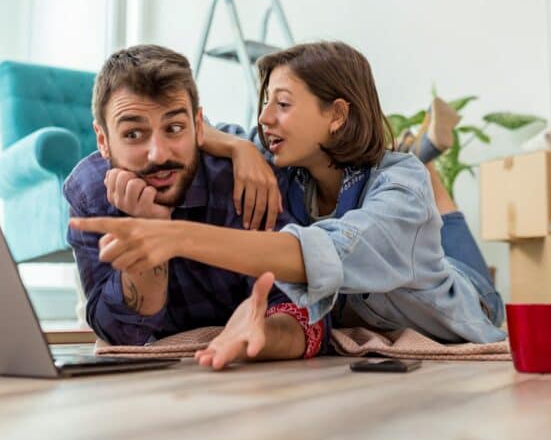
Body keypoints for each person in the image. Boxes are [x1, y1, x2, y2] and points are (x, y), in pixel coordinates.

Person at [71, 41, 505, 370]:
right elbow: (209, 132)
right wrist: (239, 148)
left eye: (281, 104)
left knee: (416, 183)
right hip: (362, 292)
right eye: (265, 104)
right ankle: (423, 157)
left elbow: (322, 252)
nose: (263, 119)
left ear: (336, 115)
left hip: (452, 298)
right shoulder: (277, 165)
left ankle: (427, 169)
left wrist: (172, 236)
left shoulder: (395, 185)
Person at [65, 45, 327, 360]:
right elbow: (122, 336)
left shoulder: (243, 181)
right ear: (103, 141)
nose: (158, 154)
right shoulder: (89, 191)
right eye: (134, 134)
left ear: (199, 126)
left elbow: (303, 311)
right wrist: (149, 228)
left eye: (174, 129)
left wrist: (263, 337)